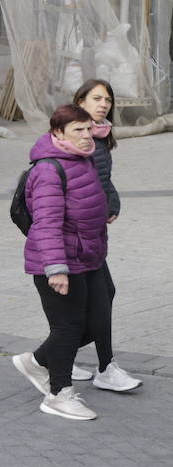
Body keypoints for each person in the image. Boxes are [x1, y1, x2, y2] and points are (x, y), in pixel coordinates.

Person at [10, 105, 119, 421]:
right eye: (78, 131)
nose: (86, 137)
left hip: (88, 258)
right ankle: (59, 393)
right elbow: (46, 223)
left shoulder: (80, 159)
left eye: (88, 129)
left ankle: (36, 361)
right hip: (59, 263)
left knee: (95, 322)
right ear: (58, 133)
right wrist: (56, 268)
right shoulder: (49, 169)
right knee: (69, 327)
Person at [69, 79, 138, 391]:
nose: (103, 104)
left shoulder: (100, 136)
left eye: (108, 100)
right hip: (76, 236)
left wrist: (113, 201)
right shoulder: (79, 138)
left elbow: (102, 179)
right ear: (80, 101)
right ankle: (101, 367)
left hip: (92, 233)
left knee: (101, 295)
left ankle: (61, 356)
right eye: (96, 98)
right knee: (100, 296)